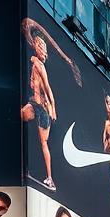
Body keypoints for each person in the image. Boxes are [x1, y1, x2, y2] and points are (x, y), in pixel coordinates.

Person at [20, 16, 78, 191]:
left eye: (41, 46)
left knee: (43, 143)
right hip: (34, 104)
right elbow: (27, 31)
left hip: (43, 110)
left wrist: (53, 108)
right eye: (38, 45)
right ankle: (25, 165)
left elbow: (48, 88)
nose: (38, 47)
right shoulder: (34, 61)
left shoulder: (39, 65)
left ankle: (50, 178)